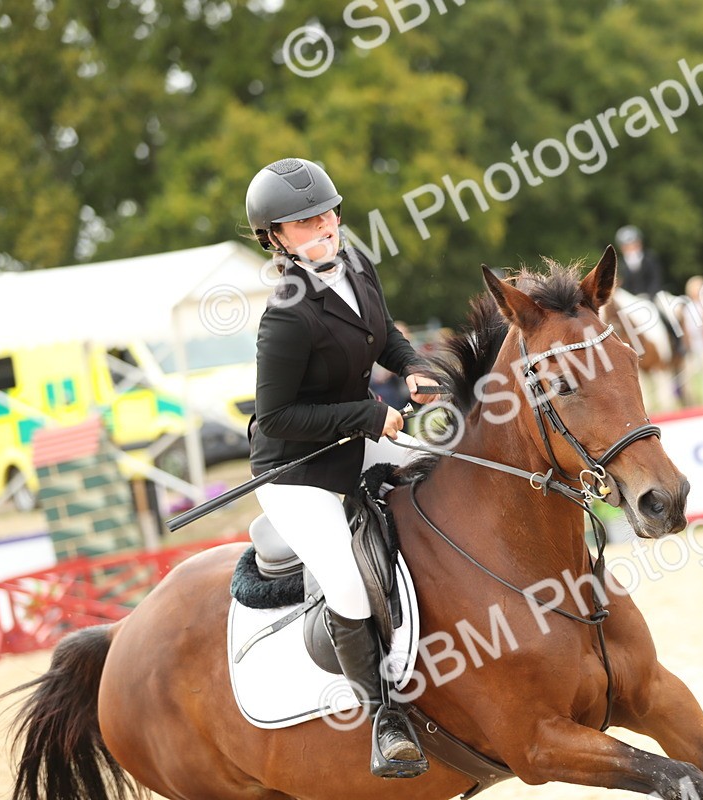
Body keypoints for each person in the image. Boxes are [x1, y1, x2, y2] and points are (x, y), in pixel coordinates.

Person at [245, 157, 439, 779]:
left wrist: (411, 367)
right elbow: (274, 418)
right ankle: (385, 717)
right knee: (348, 583)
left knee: (445, 472)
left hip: (354, 441)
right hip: (296, 474)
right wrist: (365, 413)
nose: (322, 225)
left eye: (326, 212)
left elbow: (383, 339)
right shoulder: (285, 315)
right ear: (276, 238)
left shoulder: (357, 265)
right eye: (302, 222)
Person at [614, 225, 665, 297]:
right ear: (622, 248)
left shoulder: (650, 258)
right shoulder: (619, 265)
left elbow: (656, 280)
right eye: (627, 246)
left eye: (635, 244)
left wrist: (650, 296)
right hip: (629, 299)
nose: (632, 248)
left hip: (652, 296)